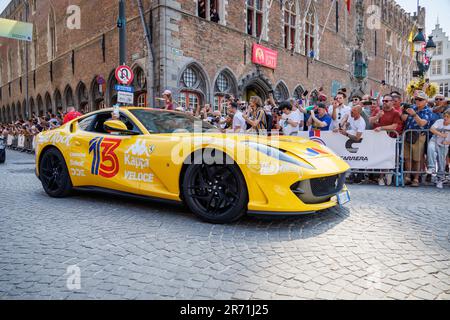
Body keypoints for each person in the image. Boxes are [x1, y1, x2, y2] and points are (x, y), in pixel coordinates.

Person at [370, 95, 403, 186]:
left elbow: (394, 126)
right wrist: (377, 116)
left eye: (387, 101)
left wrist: (381, 128)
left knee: (389, 157)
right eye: (383, 101)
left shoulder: (396, 113)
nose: (384, 102)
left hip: (390, 138)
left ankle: (386, 174)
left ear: (392, 102)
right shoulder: (378, 110)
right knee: (380, 157)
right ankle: (381, 176)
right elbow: (370, 121)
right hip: (379, 139)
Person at [403, 91, 434, 187]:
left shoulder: (428, 110)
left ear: (426, 101)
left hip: (419, 135)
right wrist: (403, 112)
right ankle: (407, 177)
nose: (418, 101)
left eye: (420, 99)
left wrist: (414, 115)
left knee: (417, 158)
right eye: (416, 99)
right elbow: (404, 119)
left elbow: (422, 123)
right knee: (407, 157)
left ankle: (416, 179)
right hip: (408, 134)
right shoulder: (413, 108)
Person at [427, 110, 450, 189]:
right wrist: (441, 134)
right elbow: (432, 129)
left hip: (444, 144)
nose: (445, 118)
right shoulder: (439, 121)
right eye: (444, 116)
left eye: (447, 117)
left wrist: (448, 142)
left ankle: (440, 179)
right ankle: (431, 167)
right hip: (435, 140)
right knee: (430, 148)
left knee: (441, 161)